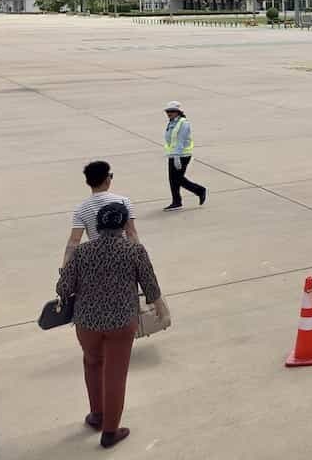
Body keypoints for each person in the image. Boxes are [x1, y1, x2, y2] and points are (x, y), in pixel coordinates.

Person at [57, 201, 167, 449]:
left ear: (98, 224)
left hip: (87, 322)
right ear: (124, 224)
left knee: (92, 363)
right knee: (115, 375)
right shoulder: (134, 251)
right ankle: (110, 431)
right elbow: (150, 286)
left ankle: (96, 416)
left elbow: (64, 288)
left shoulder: (83, 252)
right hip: (121, 322)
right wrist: (161, 307)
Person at [64, 161, 139, 267]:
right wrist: (139, 259)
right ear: (107, 180)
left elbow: (74, 241)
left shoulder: (81, 209)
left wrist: (64, 268)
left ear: (88, 182)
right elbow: (131, 233)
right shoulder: (123, 201)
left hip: (97, 259)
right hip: (123, 257)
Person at [163, 101, 207, 211]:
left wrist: (177, 156)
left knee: (178, 178)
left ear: (178, 112)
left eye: (172, 111)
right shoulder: (172, 122)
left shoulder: (183, 123)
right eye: (167, 111)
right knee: (173, 179)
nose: (169, 113)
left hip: (182, 155)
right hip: (173, 154)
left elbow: (180, 141)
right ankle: (176, 202)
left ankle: (199, 190)